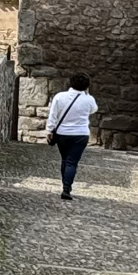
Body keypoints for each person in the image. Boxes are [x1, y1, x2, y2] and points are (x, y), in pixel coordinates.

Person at [45, 72, 97, 200]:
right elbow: (93, 110)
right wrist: (87, 93)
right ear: (87, 86)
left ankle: (65, 185)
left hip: (63, 133)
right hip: (81, 134)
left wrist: (49, 130)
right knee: (72, 162)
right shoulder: (89, 99)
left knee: (65, 159)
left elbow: (53, 115)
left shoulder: (59, 97)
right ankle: (67, 188)